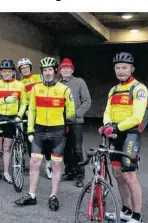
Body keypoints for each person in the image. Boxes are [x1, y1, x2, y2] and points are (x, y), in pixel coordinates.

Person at [15, 57, 75, 211]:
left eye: (50, 70)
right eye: (44, 70)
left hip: (57, 131)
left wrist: (61, 120)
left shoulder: (64, 89)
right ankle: (31, 195)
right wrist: (30, 130)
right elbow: (32, 111)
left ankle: (53, 196)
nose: (47, 73)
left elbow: (71, 111)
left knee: (56, 165)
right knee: (34, 163)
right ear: (41, 73)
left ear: (55, 71)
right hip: (40, 130)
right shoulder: (36, 88)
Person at [99, 52, 148, 223]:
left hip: (130, 135)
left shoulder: (139, 88)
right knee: (117, 173)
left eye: (124, 67)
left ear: (132, 69)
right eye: (118, 68)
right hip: (115, 134)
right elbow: (107, 111)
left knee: (129, 176)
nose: (121, 71)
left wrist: (116, 127)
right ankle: (126, 211)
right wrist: (107, 126)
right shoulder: (113, 90)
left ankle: (137, 216)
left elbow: (137, 117)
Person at [0, 59, 27, 187]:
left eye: (9, 71)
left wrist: (19, 115)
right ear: (1, 72)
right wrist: (4, 99)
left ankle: (6, 173)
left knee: (7, 147)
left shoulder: (19, 85)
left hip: (11, 118)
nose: (7, 73)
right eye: (4, 71)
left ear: (13, 72)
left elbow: (24, 103)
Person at [59, 58, 91, 188]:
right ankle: (69, 172)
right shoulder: (58, 84)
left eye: (69, 68)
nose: (66, 70)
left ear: (72, 70)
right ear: (60, 71)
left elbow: (87, 101)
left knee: (77, 149)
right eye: (63, 68)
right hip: (61, 122)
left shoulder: (79, 82)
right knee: (65, 149)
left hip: (76, 122)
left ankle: (80, 175)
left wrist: (75, 114)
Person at [17, 57, 47, 175]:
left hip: (40, 111)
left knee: (43, 138)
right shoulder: (20, 83)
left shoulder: (40, 77)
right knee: (29, 139)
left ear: (30, 67)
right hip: (27, 113)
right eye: (22, 68)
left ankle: (47, 164)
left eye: (26, 67)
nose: (25, 70)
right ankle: (32, 162)